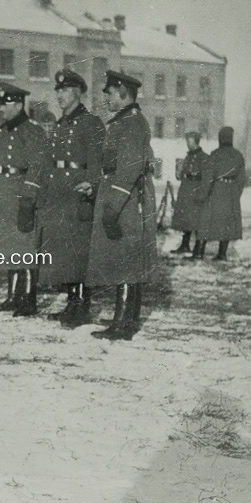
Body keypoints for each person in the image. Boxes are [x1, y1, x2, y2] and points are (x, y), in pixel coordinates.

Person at [85, 70, 157, 341]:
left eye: (111, 93)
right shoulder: (124, 121)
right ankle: (126, 321)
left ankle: (123, 323)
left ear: (124, 94)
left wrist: (112, 206)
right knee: (126, 259)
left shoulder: (132, 123)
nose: (107, 98)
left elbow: (128, 169)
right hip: (123, 196)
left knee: (126, 260)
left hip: (126, 200)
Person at [38, 68, 105, 327]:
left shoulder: (91, 123)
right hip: (59, 196)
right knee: (64, 253)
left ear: (77, 93)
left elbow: (97, 160)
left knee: (78, 254)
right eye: (57, 90)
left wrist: (93, 183)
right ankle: (71, 304)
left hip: (79, 195)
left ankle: (81, 307)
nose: (59, 95)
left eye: (64, 90)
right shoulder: (60, 123)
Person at [0, 82, 47, 317]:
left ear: (19, 105)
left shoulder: (33, 130)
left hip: (20, 193)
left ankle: (29, 300)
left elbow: (37, 166)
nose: (2, 109)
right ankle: (13, 296)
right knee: (9, 245)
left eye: (6, 104)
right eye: (1, 104)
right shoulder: (1, 130)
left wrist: (29, 197)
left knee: (25, 246)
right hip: (1, 193)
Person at [195, 126, 245, 261]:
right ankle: (222, 253)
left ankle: (199, 252)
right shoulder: (238, 155)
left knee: (206, 221)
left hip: (215, 192)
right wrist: (235, 194)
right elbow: (241, 180)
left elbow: (208, 177)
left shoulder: (214, 155)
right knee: (227, 225)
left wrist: (202, 195)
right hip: (231, 193)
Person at [170, 131, 207, 257]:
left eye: (189, 141)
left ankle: (198, 248)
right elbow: (181, 175)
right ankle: (185, 245)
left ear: (196, 141)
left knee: (196, 220)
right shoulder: (188, 156)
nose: (187, 143)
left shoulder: (203, 157)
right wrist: (180, 172)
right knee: (185, 218)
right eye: (187, 141)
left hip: (195, 192)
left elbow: (205, 176)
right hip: (185, 191)